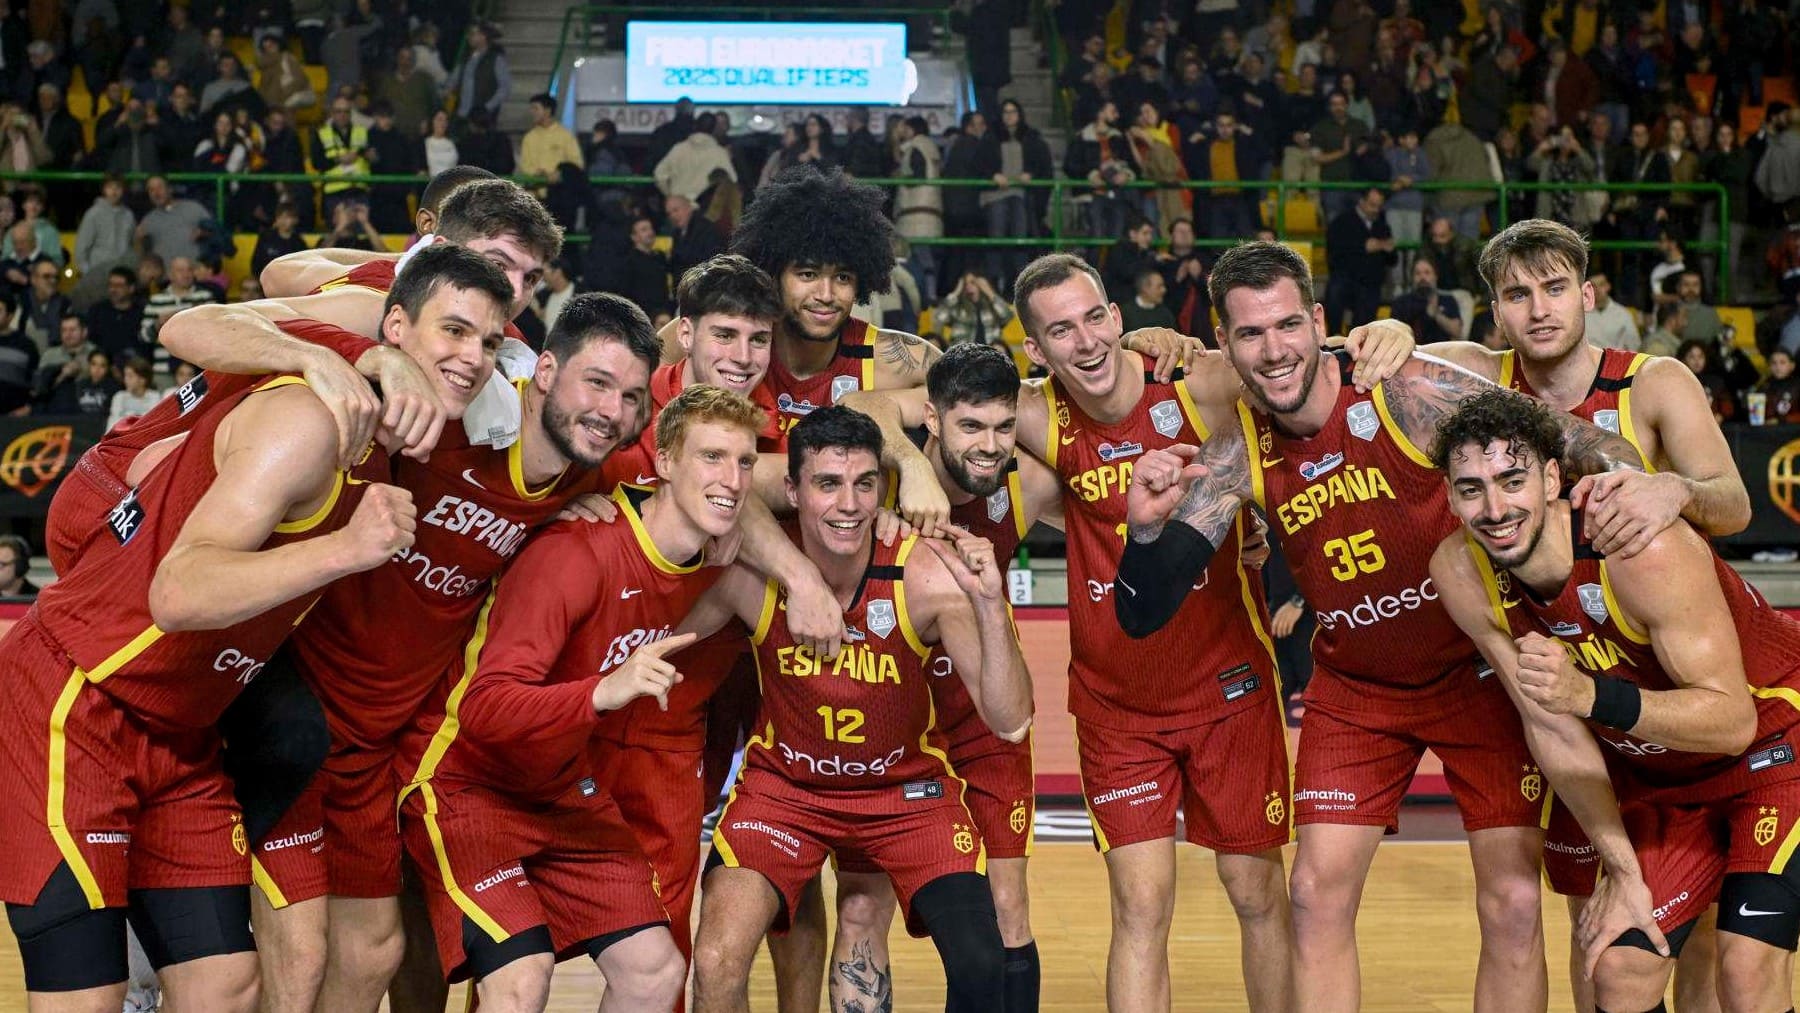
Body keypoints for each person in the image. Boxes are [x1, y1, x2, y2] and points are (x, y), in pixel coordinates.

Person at [1111, 239, 1654, 1009]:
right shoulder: (1236, 450)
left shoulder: (1403, 388)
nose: (1274, 350)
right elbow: (1141, 610)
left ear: (1319, 322)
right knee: (1313, 894)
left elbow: (1586, 445)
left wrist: (1642, 497)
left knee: (1514, 902)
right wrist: (1141, 532)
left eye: (1287, 325)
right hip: (1359, 689)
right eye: (1252, 334)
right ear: (1225, 347)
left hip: (1477, 675)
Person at [0, 247, 509, 1013]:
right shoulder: (307, 418)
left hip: (185, 729)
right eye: (456, 331)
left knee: (226, 986)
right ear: (394, 326)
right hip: (79, 698)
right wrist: (343, 547)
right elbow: (178, 590)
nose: (473, 357)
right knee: (87, 1001)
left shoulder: (386, 448)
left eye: (491, 342)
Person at [390, 383, 769, 1010]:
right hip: (467, 783)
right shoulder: (575, 553)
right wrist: (604, 691)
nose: (731, 478)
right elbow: (484, 709)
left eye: (745, 461)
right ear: (666, 463)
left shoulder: (710, 557)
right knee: (521, 977)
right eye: (711, 457)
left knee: (656, 971)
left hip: (561, 790)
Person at [1427, 390, 1800, 1013]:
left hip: (1775, 748)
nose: (1495, 509)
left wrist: (1591, 694)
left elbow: (1732, 721)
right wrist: (1623, 871)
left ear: (1552, 479)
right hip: (1664, 777)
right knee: (1620, 971)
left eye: (1512, 480)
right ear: (1448, 495)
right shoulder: (1461, 571)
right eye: (1471, 489)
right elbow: (1549, 724)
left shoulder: (1639, 549)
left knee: (1745, 968)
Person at [688, 406, 1033, 1013]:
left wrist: (988, 603)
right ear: (793, 490)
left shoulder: (926, 575)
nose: (848, 504)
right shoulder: (755, 573)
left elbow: (1010, 719)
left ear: (882, 488)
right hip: (784, 790)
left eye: (864, 484)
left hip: (906, 792)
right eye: (827, 484)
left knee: (982, 964)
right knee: (715, 962)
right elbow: (659, 627)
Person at [827, 343, 1067, 1013]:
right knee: (859, 907)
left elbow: (1113, 499)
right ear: (930, 417)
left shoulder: (1027, 484)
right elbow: (852, 405)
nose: (989, 445)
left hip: (981, 710)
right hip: (888, 721)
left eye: (1001, 426)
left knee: (1008, 904)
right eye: (970, 426)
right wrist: (910, 463)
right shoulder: (880, 475)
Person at [1323, 186, 1396, 334]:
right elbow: (1335, 255)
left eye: (1379, 206)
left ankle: (1359, 342)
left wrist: (1388, 249)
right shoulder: (1341, 222)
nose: (1375, 210)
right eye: (1372, 205)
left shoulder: (1382, 226)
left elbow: (1393, 260)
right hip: (1345, 276)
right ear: (1361, 201)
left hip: (1370, 281)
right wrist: (1363, 248)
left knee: (1369, 296)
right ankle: (1333, 335)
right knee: (1336, 290)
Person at [929, 269, 1018, 350]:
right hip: (963, 356)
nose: (968, 286)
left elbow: (1008, 316)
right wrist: (955, 293)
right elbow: (938, 319)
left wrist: (989, 292)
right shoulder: (958, 307)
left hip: (989, 356)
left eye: (973, 282)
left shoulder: (991, 308)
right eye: (965, 284)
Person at [1387, 257, 1462, 344]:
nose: (1422, 277)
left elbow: (1457, 332)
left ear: (1435, 276)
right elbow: (1394, 334)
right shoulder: (1401, 302)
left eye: (1427, 273)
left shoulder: (1447, 300)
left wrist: (1436, 314)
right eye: (1418, 273)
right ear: (1412, 278)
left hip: (1442, 352)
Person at [1583, 269, 1641, 351]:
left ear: (1608, 286)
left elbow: (1634, 344)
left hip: (1616, 361)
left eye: (1601, 285)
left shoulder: (1623, 314)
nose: (1598, 290)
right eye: (1593, 286)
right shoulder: (1581, 314)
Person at [1118, 266, 1177, 332]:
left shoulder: (1166, 315)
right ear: (1145, 288)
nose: (1164, 290)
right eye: (1159, 286)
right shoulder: (1124, 313)